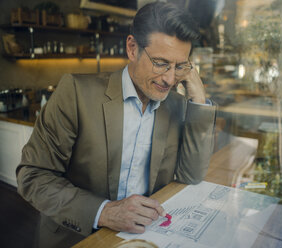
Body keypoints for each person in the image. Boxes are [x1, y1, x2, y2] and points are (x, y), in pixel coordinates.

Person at [16, 2, 216, 247]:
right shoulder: (76, 93)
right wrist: (105, 211)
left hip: (144, 237)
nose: (170, 79)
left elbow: (191, 175)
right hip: (79, 238)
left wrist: (198, 97)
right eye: (161, 63)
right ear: (132, 48)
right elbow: (33, 175)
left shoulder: (175, 104)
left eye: (180, 66)